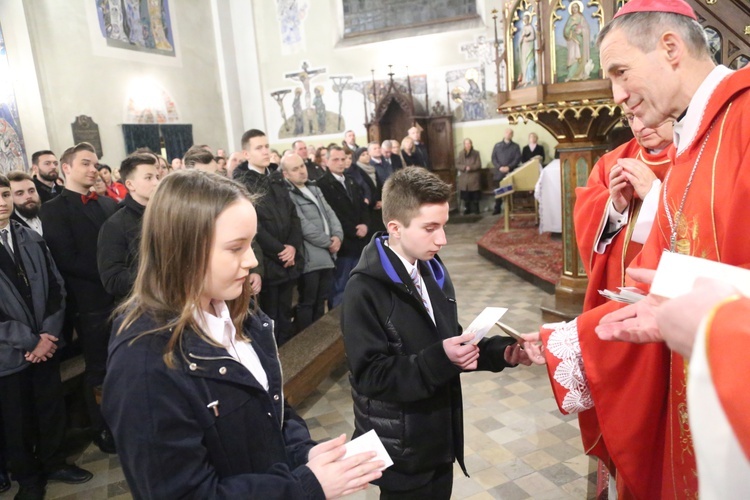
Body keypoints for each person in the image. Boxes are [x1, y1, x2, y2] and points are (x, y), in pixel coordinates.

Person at [524, 0, 750, 497]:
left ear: (670, 47)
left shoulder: (742, 120)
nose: (618, 96)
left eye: (621, 72)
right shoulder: (700, 138)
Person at [101, 169, 383, 499]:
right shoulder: (144, 362)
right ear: (183, 248)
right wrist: (303, 486)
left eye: (251, 243)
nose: (251, 259)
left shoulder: (241, 314)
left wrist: (303, 454)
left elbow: (271, 406)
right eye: (235, 248)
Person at [342, 167, 533, 498]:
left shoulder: (431, 268)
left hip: (438, 438)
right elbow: (370, 376)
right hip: (401, 450)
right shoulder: (364, 290)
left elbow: (452, 340)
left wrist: (502, 352)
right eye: (430, 228)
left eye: (443, 226)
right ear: (395, 228)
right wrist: (439, 358)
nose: (442, 239)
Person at [0, 174, 94, 500]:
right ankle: (28, 479)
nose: (2, 202)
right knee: (17, 419)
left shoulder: (28, 236)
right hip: (10, 353)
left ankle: (55, 462)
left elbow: (56, 286)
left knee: (50, 409)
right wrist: (30, 341)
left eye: (3, 195)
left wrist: (49, 333)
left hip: (45, 344)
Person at [40, 142, 119, 454]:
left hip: (119, 297)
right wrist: (112, 274)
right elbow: (67, 258)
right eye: (86, 163)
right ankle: (103, 429)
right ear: (67, 168)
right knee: (98, 368)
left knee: (122, 362)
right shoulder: (54, 209)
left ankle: (126, 418)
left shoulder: (107, 204)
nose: (93, 169)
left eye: (96, 163)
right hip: (89, 302)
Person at [234, 129, 303, 345]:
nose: (266, 151)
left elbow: (292, 213)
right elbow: (253, 225)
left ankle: (291, 355)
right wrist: (280, 250)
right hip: (268, 260)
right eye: (259, 148)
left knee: (285, 312)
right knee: (270, 317)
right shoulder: (242, 182)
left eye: (266, 146)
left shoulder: (275, 176)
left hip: (287, 258)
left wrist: (292, 245)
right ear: (246, 154)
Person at [282, 153, 343, 331]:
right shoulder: (289, 194)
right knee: (308, 302)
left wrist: (338, 236)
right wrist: (328, 242)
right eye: (295, 169)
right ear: (286, 174)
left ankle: (318, 341)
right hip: (310, 257)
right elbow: (303, 225)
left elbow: (331, 214)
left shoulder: (314, 188)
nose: (302, 171)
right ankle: (306, 343)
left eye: (302, 166)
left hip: (327, 254)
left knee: (321, 300)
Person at [97, 153, 161, 304]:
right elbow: (112, 280)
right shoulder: (115, 225)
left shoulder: (168, 215)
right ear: (130, 185)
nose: (157, 183)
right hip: (142, 307)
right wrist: (157, 273)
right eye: (148, 178)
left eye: (157, 177)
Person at [316, 146, 369, 308]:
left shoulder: (350, 180)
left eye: (343, 159)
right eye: (335, 159)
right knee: (340, 286)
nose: (340, 163)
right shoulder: (322, 184)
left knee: (359, 283)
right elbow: (333, 214)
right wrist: (354, 230)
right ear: (326, 161)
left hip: (360, 241)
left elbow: (362, 206)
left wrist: (365, 225)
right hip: (344, 243)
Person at [490, 128, 522, 214]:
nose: (508, 134)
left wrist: (509, 167)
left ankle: (511, 208)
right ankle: (497, 208)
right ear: (504, 134)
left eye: (510, 133)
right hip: (499, 172)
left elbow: (517, 158)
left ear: (512, 135)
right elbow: (493, 158)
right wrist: (499, 167)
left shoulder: (516, 146)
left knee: (511, 191)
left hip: (511, 172)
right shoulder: (497, 146)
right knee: (498, 191)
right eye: (507, 132)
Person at [8, 171, 44, 235]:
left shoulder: (50, 215)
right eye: (20, 193)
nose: (28, 196)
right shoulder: (9, 226)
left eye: (31, 191)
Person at [563, 1, 591, 81]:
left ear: (578, 8)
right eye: (573, 7)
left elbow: (586, 29)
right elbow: (566, 31)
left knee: (580, 57)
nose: (574, 9)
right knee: (572, 57)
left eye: (576, 7)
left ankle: (580, 74)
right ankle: (571, 75)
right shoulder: (570, 18)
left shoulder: (581, 18)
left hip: (579, 41)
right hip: (572, 41)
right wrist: (571, 25)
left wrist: (581, 31)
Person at [455, 138, 482, 215]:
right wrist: (464, 167)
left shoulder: (476, 153)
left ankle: (476, 210)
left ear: (471, 144)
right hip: (464, 178)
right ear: (464, 145)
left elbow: (478, 164)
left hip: (474, 178)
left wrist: (470, 167)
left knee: (475, 195)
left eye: (469, 143)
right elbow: (457, 164)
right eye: (466, 144)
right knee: (466, 196)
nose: (467, 145)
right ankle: (467, 209)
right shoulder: (460, 153)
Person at [518, 13, 537, 87]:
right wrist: (522, 38)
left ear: (529, 20)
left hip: (530, 47)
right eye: (524, 20)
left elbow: (533, 37)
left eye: (526, 20)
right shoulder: (523, 28)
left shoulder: (530, 27)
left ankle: (531, 78)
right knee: (525, 63)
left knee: (530, 63)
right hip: (524, 48)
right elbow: (520, 39)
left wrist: (526, 39)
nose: (525, 21)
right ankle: (525, 79)